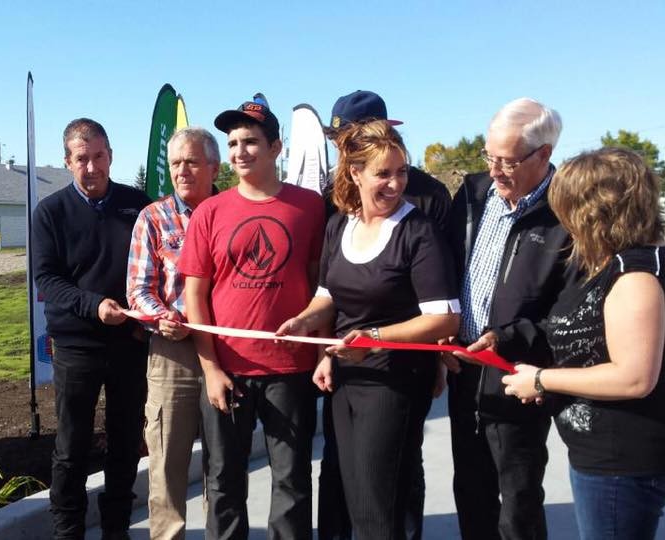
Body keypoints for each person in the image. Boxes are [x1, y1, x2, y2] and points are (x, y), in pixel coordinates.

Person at [278, 120, 460, 539]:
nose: (395, 183)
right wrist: (307, 325)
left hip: (395, 380)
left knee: (377, 504)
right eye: (383, 173)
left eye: (401, 172)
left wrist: (374, 340)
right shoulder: (340, 225)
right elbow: (328, 297)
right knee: (347, 491)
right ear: (355, 173)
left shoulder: (419, 233)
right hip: (347, 375)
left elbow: (444, 319)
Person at [502, 147, 665, 540]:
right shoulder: (612, 259)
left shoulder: (636, 276)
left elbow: (634, 378)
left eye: (568, 209)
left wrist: (543, 380)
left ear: (596, 210)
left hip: (625, 457)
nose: (564, 221)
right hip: (607, 452)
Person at [179, 96, 325, 539]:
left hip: (291, 368)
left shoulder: (311, 208)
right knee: (223, 481)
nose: (241, 151)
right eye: (234, 142)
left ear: (277, 147)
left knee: (293, 480)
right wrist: (211, 370)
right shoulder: (210, 212)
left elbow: (323, 287)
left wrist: (322, 352)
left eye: (252, 142)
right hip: (229, 370)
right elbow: (195, 298)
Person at [443, 98, 580, 540]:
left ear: (544, 154)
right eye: (489, 156)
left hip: (518, 375)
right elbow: (444, 270)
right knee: (470, 488)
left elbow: (568, 311)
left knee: (518, 498)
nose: (495, 169)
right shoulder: (473, 193)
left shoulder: (569, 214)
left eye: (507, 160)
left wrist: (509, 340)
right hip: (463, 371)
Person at [32, 118, 152, 539]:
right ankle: (69, 533)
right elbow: (47, 279)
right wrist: (93, 305)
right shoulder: (50, 213)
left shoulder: (138, 206)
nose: (91, 167)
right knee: (71, 448)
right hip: (77, 347)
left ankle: (117, 529)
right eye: (81, 159)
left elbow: (155, 268)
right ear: (68, 162)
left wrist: (147, 320)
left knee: (124, 444)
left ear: (111, 156)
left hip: (129, 345)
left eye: (98, 156)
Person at [126, 127, 220, 539]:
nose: (182, 170)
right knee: (165, 459)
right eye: (176, 162)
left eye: (192, 161)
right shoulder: (153, 217)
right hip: (172, 351)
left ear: (213, 167)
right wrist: (161, 316)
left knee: (223, 461)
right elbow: (138, 287)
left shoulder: (233, 211)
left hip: (225, 350)